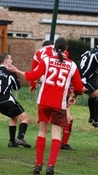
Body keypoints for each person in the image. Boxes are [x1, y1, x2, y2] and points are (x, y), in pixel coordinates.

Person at [7, 38, 85, 175]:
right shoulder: (72, 65)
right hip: (59, 103)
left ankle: (37, 165)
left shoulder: (47, 60)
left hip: (43, 101)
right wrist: (74, 97)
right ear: (66, 49)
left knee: (42, 132)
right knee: (56, 134)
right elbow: (79, 87)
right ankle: (50, 166)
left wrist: (17, 71)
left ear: (54, 48)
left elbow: (34, 75)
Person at [31, 39, 76, 151]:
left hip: (45, 86)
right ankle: (62, 143)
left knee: (44, 123)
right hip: (57, 92)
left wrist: (33, 83)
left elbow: (33, 70)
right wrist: (75, 93)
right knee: (67, 120)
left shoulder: (40, 53)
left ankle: (44, 143)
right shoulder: (63, 57)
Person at [0, 53, 31, 148]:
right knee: (25, 118)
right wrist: (16, 73)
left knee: (14, 118)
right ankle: (20, 138)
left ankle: (12, 142)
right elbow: (17, 87)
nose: (12, 61)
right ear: (6, 61)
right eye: (10, 59)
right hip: (7, 98)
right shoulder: (10, 71)